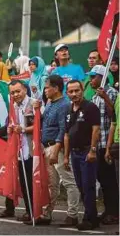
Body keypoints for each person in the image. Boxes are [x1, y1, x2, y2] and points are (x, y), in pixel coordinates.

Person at [31, 75, 80, 226]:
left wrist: (56, 148)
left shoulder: (64, 105)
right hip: (47, 146)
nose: (44, 90)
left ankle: (72, 215)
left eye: (46, 87)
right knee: (51, 183)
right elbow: (43, 124)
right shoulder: (51, 102)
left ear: (56, 88)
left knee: (68, 181)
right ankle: (47, 213)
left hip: (57, 148)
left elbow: (63, 129)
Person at [0, 80, 35, 222]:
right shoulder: (14, 106)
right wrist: (0, 131)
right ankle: (29, 211)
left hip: (34, 149)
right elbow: (11, 125)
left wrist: (23, 130)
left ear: (25, 90)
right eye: (13, 92)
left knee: (33, 182)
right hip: (20, 150)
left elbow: (40, 125)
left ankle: (37, 211)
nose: (15, 95)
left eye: (18, 91)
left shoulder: (34, 104)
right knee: (24, 181)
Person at [63, 80, 101, 230]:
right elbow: (66, 135)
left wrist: (92, 150)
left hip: (87, 152)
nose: (74, 94)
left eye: (76, 91)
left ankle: (89, 219)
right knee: (80, 186)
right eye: (71, 91)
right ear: (67, 93)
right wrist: (66, 156)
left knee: (88, 185)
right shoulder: (68, 109)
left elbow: (96, 130)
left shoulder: (90, 107)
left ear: (82, 91)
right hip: (74, 153)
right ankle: (92, 216)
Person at [87, 65, 119, 225]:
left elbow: (115, 115)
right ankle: (108, 210)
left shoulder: (112, 92)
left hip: (108, 142)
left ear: (102, 77)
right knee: (102, 179)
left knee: (110, 180)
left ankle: (114, 212)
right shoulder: (93, 97)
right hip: (97, 143)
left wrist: (106, 97)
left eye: (93, 77)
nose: (91, 80)